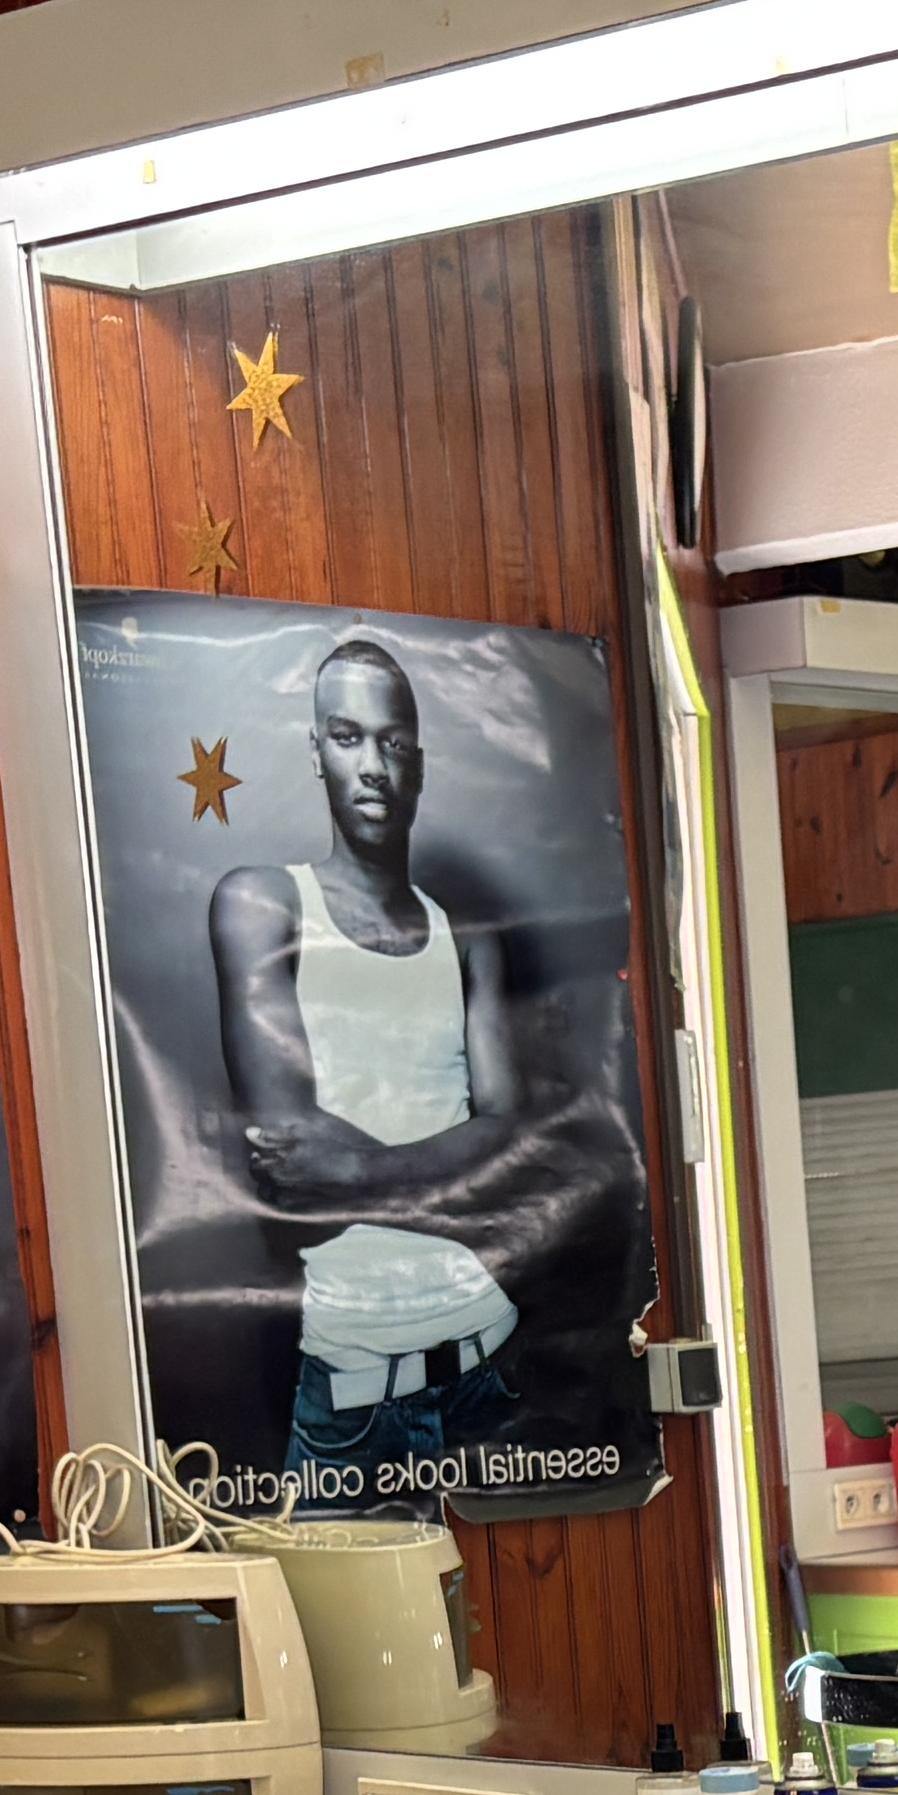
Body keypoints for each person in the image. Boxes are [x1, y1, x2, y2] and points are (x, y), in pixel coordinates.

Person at [208, 637, 549, 1508]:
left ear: (418, 765)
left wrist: (361, 1169)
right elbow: (291, 1153)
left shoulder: (465, 939)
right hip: (356, 1392)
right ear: (314, 750)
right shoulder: (261, 903)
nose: (372, 766)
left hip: (489, 1364)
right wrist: (456, 1164)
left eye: (393, 742)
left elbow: (513, 1140)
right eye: (346, 737)